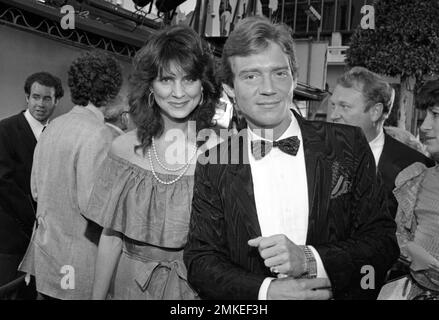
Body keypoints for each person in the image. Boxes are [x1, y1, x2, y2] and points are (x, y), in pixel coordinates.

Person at [183, 16, 399, 300]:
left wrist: (310, 260)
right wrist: (266, 291)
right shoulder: (215, 162)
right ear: (230, 90)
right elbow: (201, 262)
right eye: (251, 76)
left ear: (294, 78)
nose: (268, 88)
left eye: (279, 73)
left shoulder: (347, 144)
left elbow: (383, 243)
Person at [84, 25, 221, 300]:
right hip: (129, 286)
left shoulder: (222, 152)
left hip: (195, 288)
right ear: (150, 85)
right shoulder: (122, 149)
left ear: (203, 85)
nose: (179, 92)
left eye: (189, 79)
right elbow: (111, 237)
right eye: (167, 79)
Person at [19, 51, 123, 300]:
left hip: (46, 261)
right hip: (78, 264)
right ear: (109, 91)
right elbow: (94, 207)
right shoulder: (100, 134)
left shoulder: (53, 126)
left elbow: (35, 189)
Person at [329, 67, 435, 218]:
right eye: (333, 105)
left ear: (375, 112)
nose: (333, 115)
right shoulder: (316, 155)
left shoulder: (418, 168)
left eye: (344, 107)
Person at [0, 72, 63, 293]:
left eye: (47, 98)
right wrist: (36, 220)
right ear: (27, 98)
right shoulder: (4, 129)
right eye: (36, 97)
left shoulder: (58, 135)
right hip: (11, 240)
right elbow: (4, 184)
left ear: (57, 101)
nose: (40, 104)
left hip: (47, 243)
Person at [392, 79, 439, 299]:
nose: (424, 126)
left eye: (436, 115)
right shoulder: (415, 179)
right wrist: (408, 250)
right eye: (425, 116)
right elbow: (399, 238)